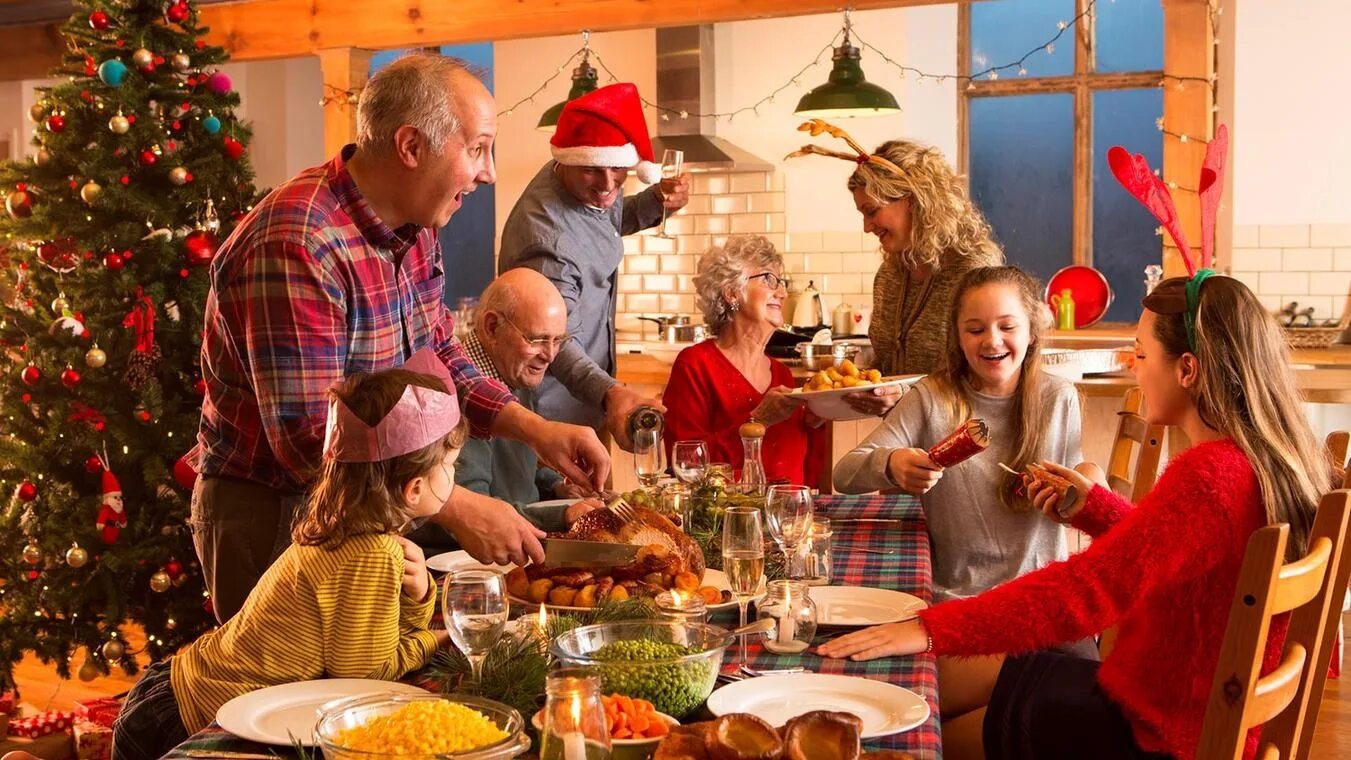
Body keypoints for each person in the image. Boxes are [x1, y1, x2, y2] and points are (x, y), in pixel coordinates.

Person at [819, 274, 1331, 760]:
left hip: (1151, 733)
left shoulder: (1209, 476)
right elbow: (1161, 550)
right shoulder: (1250, 460)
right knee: (922, 692)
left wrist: (930, 628)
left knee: (919, 734)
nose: (1133, 363)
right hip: (1165, 703)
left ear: (1188, 369)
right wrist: (1094, 506)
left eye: (1143, 352)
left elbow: (1085, 590)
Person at [193, 54, 610, 622]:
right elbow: (310, 441)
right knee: (290, 704)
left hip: (369, 505)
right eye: (478, 147)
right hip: (278, 515)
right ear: (412, 147)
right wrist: (455, 505)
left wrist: (534, 430)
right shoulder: (299, 242)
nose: (488, 172)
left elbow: (440, 360)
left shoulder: (415, 228)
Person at [114, 354, 466, 760]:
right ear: (414, 489)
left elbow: (377, 644)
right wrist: (436, 640)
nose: (454, 475)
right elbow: (367, 677)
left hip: (172, 689)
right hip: (181, 719)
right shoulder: (371, 553)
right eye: (451, 465)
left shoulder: (343, 527)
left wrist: (417, 595)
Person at [833, 266, 1092, 604]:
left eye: (1007, 326)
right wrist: (891, 463)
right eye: (975, 329)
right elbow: (843, 474)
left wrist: (1087, 484)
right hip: (956, 600)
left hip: (1040, 599)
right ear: (957, 336)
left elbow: (1078, 480)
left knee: (1090, 660)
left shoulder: (1059, 397)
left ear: (1031, 332)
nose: (992, 340)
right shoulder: (930, 397)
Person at [499, 82, 688, 446]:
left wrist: (657, 201)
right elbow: (552, 344)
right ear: (568, 160)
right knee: (570, 504)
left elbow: (605, 217)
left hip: (586, 404)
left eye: (618, 168)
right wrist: (613, 393)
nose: (607, 183)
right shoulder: (548, 240)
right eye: (592, 171)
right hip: (551, 419)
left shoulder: (580, 176)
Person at [408, 268, 602, 553]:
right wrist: (562, 517)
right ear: (492, 327)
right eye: (537, 339)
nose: (550, 355)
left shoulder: (514, 372)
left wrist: (557, 486)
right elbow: (470, 520)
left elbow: (513, 476)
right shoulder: (456, 400)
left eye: (558, 340)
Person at [789, 122, 1003, 378]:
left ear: (913, 200)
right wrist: (867, 382)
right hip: (900, 418)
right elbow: (888, 364)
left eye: (872, 211)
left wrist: (905, 394)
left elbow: (989, 377)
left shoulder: (974, 270)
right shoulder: (889, 275)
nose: (867, 227)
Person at [661, 236, 824, 486]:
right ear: (732, 292)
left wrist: (816, 420)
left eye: (781, 283)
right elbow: (687, 465)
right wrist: (757, 422)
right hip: (726, 519)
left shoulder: (782, 374)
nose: (782, 293)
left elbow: (799, 466)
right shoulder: (695, 365)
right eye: (769, 280)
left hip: (789, 518)